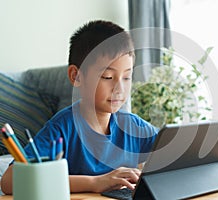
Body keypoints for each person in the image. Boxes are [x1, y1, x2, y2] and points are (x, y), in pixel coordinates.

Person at [1, 20, 158, 194]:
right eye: (107, 77)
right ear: (76, 76)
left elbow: (177, 156)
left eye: (127, 77)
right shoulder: (62, 128)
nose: (119, 88)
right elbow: (8, 182)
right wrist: (96, 182)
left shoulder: (133, 126)